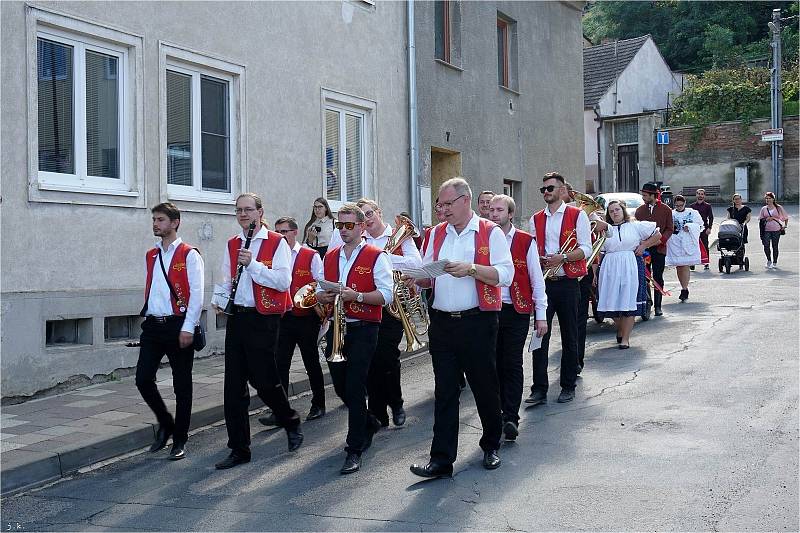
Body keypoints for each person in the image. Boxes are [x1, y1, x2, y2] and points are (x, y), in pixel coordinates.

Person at [408, 178, 513, 478]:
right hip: (442, 322)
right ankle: (441, 459)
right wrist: (415, 278)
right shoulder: (436, 233)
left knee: (484, 386)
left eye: (447, 204)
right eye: (439, 205)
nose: (442, 210)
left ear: (465, 200)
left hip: (477, 320)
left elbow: (506, 274)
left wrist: (470, 269)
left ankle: (492, 444)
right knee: (445, 391)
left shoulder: (489, 232)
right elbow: (429, 273)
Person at [213, 193, 303, 470]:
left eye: (249, 210)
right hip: (238, 317)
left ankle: (289, 418)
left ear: (260, 212)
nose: (243, 214)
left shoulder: (277, 242)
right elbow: (225, 277)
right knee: (233, 387)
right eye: (239, 210)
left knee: (264, 381)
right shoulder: (233, 243)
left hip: (264, 319)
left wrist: (252, 264)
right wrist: (218, 299)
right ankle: (239, 448)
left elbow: (282, 281)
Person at [316, 204, 394, 474]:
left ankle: (354, 448)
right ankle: (368, 421)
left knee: (355, 385)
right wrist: (322, 296)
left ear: (362, 227)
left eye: (350, 225)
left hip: (364, 328)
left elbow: (386, 296)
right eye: (341, 225)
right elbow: (319, 287)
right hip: (337, 326)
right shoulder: (331, 255)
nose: (345, 230)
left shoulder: (377, 255)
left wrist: (357, 296)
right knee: (340, 386)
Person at [136, 203, 204, 461]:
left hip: (178, 325)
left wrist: (188, 326)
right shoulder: (151, 255)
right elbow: (154, 289)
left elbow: (197, 294)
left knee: (182, 385)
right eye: (154, 219)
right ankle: (166, 422)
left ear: (175, 222)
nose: (156, 224)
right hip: (154, 325)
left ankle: (180, 438)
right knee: (142, 378)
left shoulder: (189, 254)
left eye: (161, 219)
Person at [525, 172, 592, 406]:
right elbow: (531, 250)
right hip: (544, 284)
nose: (546, 192)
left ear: (561, 189)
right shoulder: (535, 219)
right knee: (539, 336)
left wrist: (562, 257)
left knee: (570, 336)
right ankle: (539, 388)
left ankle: (568, 385)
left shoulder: (577, 215)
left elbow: (586, 249)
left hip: (567, 283)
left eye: (550, 188)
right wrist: (540, 260)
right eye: (543, 189)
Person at [356, 199, 423, 428]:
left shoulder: (400, 235)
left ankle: (396, 403)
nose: (367, 218)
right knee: (371, 359)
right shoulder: (359, 238)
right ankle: (377, 412)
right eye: (362, 215)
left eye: (369, 213)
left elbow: (416, 263)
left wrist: (382, 258)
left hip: (394, 306)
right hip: (367, 304)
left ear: (379, 212)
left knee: (388, 357)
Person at [488, 194, 547, 441]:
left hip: (516, 310)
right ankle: (496, 414)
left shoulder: (524, 241)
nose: (493, 214)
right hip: (488, 310)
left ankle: (511, 416)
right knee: (491, 365)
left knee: (511, 362)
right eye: (491, 210)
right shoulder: (483, 237)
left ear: (510, 214)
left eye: (499, 210)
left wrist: (541, 315)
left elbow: (536, 277)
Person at [258, 217, 326, 428]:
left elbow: (321, 283)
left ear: (295, 232)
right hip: (283, 317)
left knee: (310, 361)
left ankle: (319, 403)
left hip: (306, 317)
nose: (280, 235)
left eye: (285, 231)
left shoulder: (310, 255)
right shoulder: (275, 255)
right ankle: (281, 410)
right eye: (277, 231)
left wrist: (312, 298)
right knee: (280, 364)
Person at [594, 200, 662, 348]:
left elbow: (658, 235)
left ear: (623, 210)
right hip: (609, 266)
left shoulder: (635, 226)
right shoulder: (605, 229)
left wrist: (644, 245)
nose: (615, 213)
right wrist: (594, 273)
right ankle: (620, 329)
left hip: (630, 263)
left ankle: (625, 338)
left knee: (629, 300)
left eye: (617, 209)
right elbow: (598, 252)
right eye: (611, 211)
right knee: (611, 301)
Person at [563, 182, 607, 373]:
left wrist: (591, 220)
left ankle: (577, 361)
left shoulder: (583, 211)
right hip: (559, 272)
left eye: (563, 190)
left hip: (582, 269)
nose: (560, 194)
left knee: (578, 319)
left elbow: (607, 229)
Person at [634, 182, 674, 316]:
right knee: (644, 276)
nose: (643, 197)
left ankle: (658, 305)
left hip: (659, 249)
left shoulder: (666, 209)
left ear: (653, 195)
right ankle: (647, 303)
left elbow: (670, 228)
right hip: (645, 250)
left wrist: (661, 240)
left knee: (658, 276)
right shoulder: (639, 211)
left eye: (645, 195)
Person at [666, 195, 702, 301]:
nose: (679, 207)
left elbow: (700, 225)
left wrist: (690, 227)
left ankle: (685, 288)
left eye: (681, 205)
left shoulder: (693, 212)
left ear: (685, 203)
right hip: (675, 242)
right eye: (677, 205)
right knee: (679, 266)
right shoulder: (671, 213)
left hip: (687, 240)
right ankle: (682, 286)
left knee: (685, 265)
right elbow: (667, 226)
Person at [759, 192, 790, 270]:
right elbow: (760, 218)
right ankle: (769, 260)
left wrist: (785, 225)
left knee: (775, 246)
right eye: (767, 198)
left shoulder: (778, 207)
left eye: (769, 198)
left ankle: (775, 262)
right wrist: (766, 219)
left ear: (773, 199)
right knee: (766, 245)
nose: (768, 200)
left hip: (776, 229)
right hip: (766, 230)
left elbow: (785, 217)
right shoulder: (764, 208)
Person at [689, 189, 714, 271]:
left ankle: (706, 263)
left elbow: (711, 217)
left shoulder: (708, 206)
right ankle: (692, 263)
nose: (700, 195)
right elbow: (689, 218)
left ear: (704, 196)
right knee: (693, 245)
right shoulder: (692, 206)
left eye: (702, 194)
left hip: (704, 228)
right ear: (696, 195)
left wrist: (709, 228)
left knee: (705, 245)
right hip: (694, 229)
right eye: (699, 194)